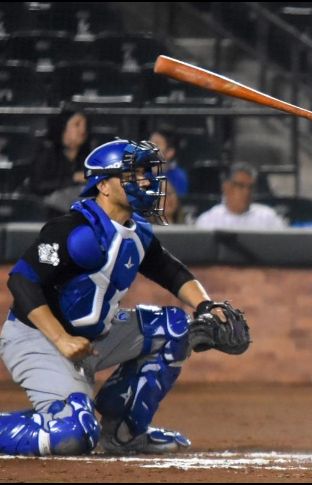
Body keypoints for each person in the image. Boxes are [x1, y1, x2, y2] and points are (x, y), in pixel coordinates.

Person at [0, 139, 247, 455]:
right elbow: (22, 282)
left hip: (92, 338)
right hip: (40, 340)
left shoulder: (136, 231)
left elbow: (171, 272)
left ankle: (123, 433)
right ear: (103, 185)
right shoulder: (73, 230)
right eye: (132, 174)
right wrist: (61, 339)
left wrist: (206, 305)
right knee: (74, 434)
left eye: (144, 173)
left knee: (176, 328)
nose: (144, 180)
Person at [28, 110, 91, 215]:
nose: (83, 130)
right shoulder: (47, 152)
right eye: (77, 125)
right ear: (63, 127)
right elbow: (37, 185)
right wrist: (73, 178)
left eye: (85, 125)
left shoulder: (87, 155)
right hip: (51, 211)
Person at [195, 162, 287, 230]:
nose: (247, 192)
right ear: (226, 188)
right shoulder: (208, 220)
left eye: (250, 187)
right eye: (240, 186)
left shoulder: (268, 217)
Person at [149, 129, 189, 197]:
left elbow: (175, 200)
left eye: (156, 143)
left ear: (169, 152)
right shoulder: (136, 170)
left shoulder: (178, 177)